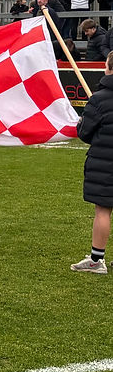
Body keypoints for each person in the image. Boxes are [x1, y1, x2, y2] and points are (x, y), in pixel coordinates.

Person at [71, 52, 113, 274]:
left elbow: (85, 133)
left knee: (103, 210)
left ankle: (97, 259)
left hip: (105, 163)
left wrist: (82, 122)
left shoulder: (99, 99)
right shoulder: (99, 98)